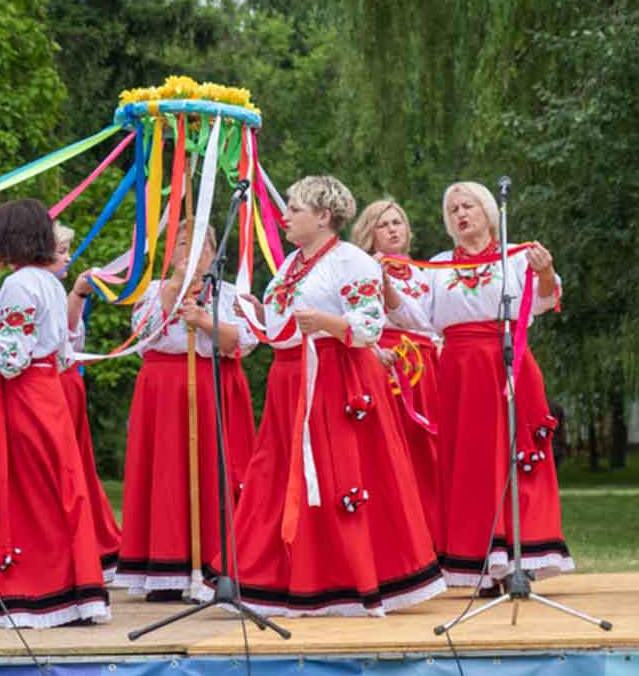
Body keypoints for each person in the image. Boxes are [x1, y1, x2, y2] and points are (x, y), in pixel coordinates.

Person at [227, 175, 444, 616]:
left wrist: (326, 323)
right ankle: (278, 576)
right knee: (279, 474)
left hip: (335, 375)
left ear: (324, 216)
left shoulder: (352, 263)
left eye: (294, 209)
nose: (284, 216)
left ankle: (347, 578)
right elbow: (280, 327)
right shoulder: (291, 265)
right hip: (292, 379)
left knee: (336, 473)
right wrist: (255, 311)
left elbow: (370, 326)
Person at [0, 200, 109, 628]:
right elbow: (62, 351)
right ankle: (69, 592)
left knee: (26, 491)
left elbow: (11, 358)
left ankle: (29, 592)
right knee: (52, 492)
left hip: (25, 396)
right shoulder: (50, 283)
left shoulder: (20, 285)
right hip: (47, 392)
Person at [419, 181, 570, 589]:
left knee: (515, 455)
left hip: (507, 362)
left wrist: (545, 271)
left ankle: (519, 556)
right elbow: (416, 317)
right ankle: (480, 563)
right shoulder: (436, 265)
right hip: (459, 371)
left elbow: (541, 300)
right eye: (453, 210)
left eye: (468, 206)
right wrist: (385, 285)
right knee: (471, 463)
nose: (461, 215)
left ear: (489, 211)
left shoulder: (516, 256)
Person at [112, 221, 258, 602]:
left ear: (214, 251)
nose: (191, 251)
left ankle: (213, 566)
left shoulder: (229, 293)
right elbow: (144, 333)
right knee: (167, 470)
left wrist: (204, 321)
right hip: (165, 388)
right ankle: (166, 567)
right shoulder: (156, 291)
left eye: (200, 245)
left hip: (212, 383)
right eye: (182, 243)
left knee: (214, 470)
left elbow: (245, 339)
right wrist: (176, 285)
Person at [354, 199, 445, 541]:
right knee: (393, 453)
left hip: (429, 369)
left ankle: (436, 538)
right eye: (383, 224)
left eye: (398, 222)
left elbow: (433, 320)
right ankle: (399, 538)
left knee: (430, 452)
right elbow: (361, 321)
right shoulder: (361, 269)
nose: (393, 229)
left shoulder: (426, 272)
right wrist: (375, 351)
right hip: (389, 366)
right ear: (369, 233)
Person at [57, 222, 122, 583]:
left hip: (60, 386)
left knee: (72, 468)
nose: (67, 257)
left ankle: (89, 547)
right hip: (54, 385)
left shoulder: (49, 289)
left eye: (68, 251)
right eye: (62, 251)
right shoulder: (41, 287)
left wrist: (79, 294)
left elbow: (66, 342)